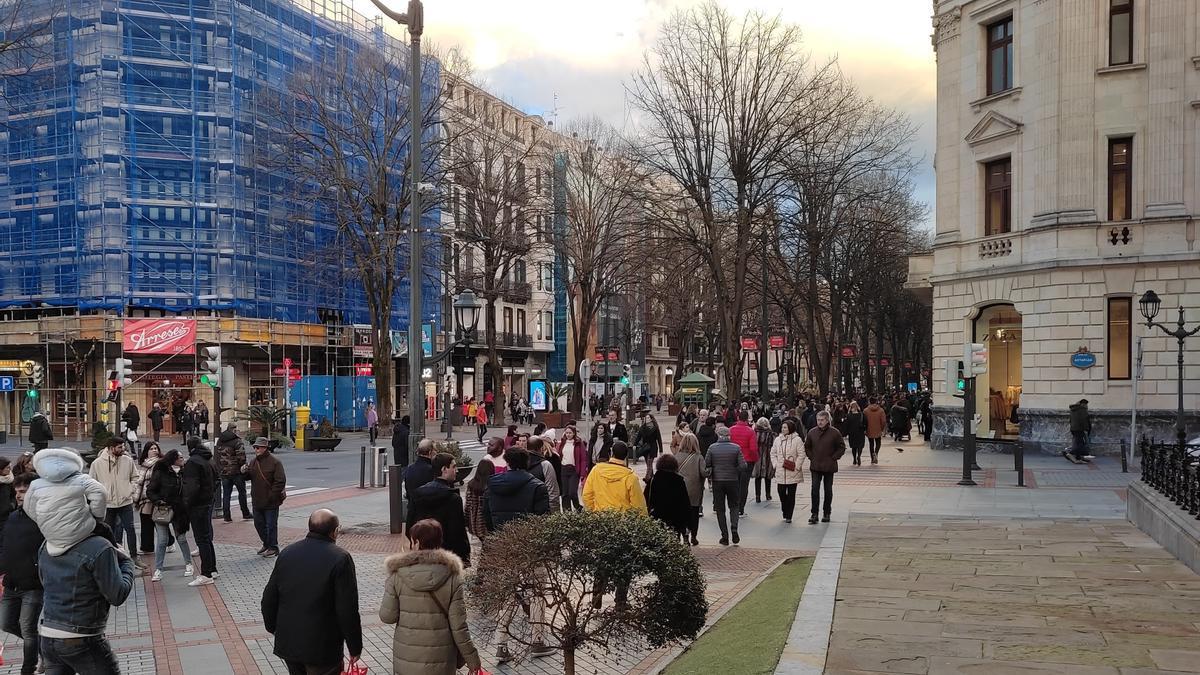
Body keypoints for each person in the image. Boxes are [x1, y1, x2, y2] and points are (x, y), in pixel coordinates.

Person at [37, 505, 137, 674]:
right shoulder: (99, 546)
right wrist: (127, 563)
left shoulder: (47, 544)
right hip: (81, 637)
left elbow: (44, 582)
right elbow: (117, 595)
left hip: (48, 635)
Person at [262, 509, 363, 675]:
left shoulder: (288, 553)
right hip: (323, 646)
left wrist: (275, 628)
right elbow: (347, 609)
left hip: (290, 641)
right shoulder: (340, 558)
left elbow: (269, 599)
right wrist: (355, 647)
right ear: (335, 531)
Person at [380, 519, 483, 675]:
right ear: (439, 542)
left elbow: (387, 616)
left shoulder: (397, 575)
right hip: (441, 659)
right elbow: (459, 626)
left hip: (407, 658)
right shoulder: (452, 577)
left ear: (415, 542)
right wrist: (473, 660)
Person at [481, 449, 551, 662]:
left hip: (504, 547)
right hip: (530, 548)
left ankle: (501, 644)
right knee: (537, 593)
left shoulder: (491, 486)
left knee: (508, 595)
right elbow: (543, 522)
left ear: (507, 462)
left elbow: (487, 519)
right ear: (527, 462)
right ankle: (537, 640)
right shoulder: (537, 487)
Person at [25, 449, 107, 559]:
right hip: (81, 530)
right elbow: (100, 492)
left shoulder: (36, 485)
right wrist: (97, 515)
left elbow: (28, 507)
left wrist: (43, 519)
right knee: (105, 531)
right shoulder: (81, 479)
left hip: (51, 534)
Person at [0, 472, 44, 675]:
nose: (18, 495)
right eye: (17, 491)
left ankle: (28, 669)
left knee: (27, 629)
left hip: (33, 585)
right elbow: (5, 546)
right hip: (11, 584)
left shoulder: (42, 517)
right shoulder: (13, 516)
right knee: (7, 624)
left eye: (23, 491)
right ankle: (45, 646)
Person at [410, 452, 471, 566]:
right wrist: (463, 558)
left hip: (422, 552)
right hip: (446, 557)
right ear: (444, 469)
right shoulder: (453, 499)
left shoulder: (417, 494)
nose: (456, 471)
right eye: (453, 467)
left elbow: (410, 523)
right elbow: (457, 532)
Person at [89, 437, 142, 564]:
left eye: (123, 446)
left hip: (125, 501)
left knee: (130, 529)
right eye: (120, 447)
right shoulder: (97, 463)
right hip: (108, 504)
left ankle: (134, 556)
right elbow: (91, 483)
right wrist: (100, 496)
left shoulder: (127, 460)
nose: (123, 449)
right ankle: (112, 557)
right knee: (109, 531)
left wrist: (130, 489)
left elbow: (135, 477)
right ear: (111, 448)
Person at [145, 449, 194, 581]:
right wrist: (158, 501)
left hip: (179, 510)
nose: (183, 459)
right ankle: (158, 569)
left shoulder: (185, 472)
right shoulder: (161, 472)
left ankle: (188, 564)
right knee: (162, 540)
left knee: (181, 538)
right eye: (180, 458)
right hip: (163, 509)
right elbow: (150, 490)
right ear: (173, 459)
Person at [180, 438, 219, 585]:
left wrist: (186, 503)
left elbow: (191, 487)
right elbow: (216, 480)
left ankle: (206, 574)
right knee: (206, 538)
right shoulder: (207, 459)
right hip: (207, 502)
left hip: (198, 506)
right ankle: (212, 569)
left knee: (201, 539)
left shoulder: (193, 462)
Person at [705, 425, 746, 546]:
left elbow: (707, 464)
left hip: (718, 481)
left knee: (720, 509)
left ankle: (724, 535)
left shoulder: (712, 448)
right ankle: (734, 528)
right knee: (734, 506)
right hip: (732, 480)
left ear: (718, 435)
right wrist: (735, 470)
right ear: (729, 436)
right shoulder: (736, 448)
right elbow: (743, 466)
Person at [582, 440, 648, 514]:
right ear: (626, 456)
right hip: (622, 521)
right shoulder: (631, 477)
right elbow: (638, 505)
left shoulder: (596, 470)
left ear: (611, 453)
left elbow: (587, 495)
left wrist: (593, 512)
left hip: (600, 517)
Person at [804, 410, 845, 524]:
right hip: (816, 465)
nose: (820, 422)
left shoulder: (834, 432)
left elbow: (841, 447)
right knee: (814, 490)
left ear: (827, 420)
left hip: (829, 466)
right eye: (818, 420)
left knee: (828, 490)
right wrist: (811, 456)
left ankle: (827, 512)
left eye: (822, 420)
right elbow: (807, 446)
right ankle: (814, 513)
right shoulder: (812, 432)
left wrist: (834, 457)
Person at [248, 436, 287, 557]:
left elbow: (280, 481)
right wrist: (244, 471)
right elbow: (248, 477)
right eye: (255, 447)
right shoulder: (254, 462)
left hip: (271, 501)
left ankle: (273, 547)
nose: (256, 449)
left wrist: (272, 495)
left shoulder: (275, 462)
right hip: (257, 499)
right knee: (258, 524)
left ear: (265, 448)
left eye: (258, 447)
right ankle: (266, 543)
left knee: (271, 525)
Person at [644, 454, 690, 543]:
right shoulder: (679, 481)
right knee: (673, 543)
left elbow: (646, 499)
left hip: (657, 518)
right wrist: (686, 523)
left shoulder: (653, 481)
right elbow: (685, 503)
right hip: (675, 520)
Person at [673, 431, 708, 545]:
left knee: (680, 513)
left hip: (680, 490)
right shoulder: (698, 457)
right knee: (694, 514)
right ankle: (693, 535)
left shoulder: (677, 456)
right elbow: (704, 472)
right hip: (694, 490)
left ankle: (681, 535)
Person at [770, 419, 805, 523]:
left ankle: (789, 515)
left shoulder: (797, 440)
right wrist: (775, 464)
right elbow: (773, 453)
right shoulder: (777, 439)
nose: (783, 429)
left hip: (792, 471)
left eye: (785, 427)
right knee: (781, 492)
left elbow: (801, 454)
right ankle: (784, 509)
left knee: (791, 494)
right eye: (782, 427)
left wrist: (797, 466)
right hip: (781, 470)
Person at [216, 423, 252, 522]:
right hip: (236, 472)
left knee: (226, 494)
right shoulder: (237, 441)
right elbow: (241, 457)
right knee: (242, 492)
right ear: (234, 430)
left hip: (224, 471)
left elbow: (217, 455)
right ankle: (245, 513)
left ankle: (226, 516)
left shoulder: (220, 440)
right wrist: (243, 466)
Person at [728, 412, 759, 516]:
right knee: (743, 485)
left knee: (734, 484)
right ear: (747, 419)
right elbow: (753, 449)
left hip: (734, 461)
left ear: (738, 418)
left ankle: (733, 506)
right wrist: (755, 459)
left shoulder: (731, 430)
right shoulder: (750, 432)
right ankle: (741, 509)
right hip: (747, 461)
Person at [403, 439, 437, 529]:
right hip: (428, 516)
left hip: (413, 514)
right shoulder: (432, 470)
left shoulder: (409, 468)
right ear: (430, 452)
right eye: (435, 451)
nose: (436, 453)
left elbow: (407, 490)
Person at [556, 425, 588, 511]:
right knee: (565, 494)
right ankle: (567, 512)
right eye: (567, 433)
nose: (568, 435)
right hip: (564, 469)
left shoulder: (579, 443)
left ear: (574, 433)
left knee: (572, 492)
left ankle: (578, 507)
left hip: (574, 470)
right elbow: (559, 455)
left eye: (570, 433)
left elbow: (583, 459)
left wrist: (582, 473)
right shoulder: (562, 443)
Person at [525, 437, 561, 512]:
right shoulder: (545, 465)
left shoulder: (519, 463)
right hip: (542, 510)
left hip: (523, 510)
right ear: (541, 448)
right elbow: (552, 490)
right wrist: (555, 513)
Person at [464, 457, 494, 541]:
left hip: (476, 523)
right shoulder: (492, 486)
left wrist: (466, 521)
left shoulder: (471, 485)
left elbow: (468, 506)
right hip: (489, 522)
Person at [753, 417, 776, 503]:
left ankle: (757, 496)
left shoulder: (755, 433)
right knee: (768, 477)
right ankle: (768, 494)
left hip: (758, 456)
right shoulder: (771, 434)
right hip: (768, 456)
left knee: (757, 477)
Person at [635, 414, 664, 480]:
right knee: (648, 463)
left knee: (649, 463)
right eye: (646, 418)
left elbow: (659, 439)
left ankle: (647, 478)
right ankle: (651, 476)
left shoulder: (655, 427)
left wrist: (661, 450)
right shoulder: (642, 427)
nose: (647, 419)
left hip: (652, 447)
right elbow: (638, 437)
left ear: (651, 419)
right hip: (645, 448)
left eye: (648, 418)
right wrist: (634, 445)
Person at [842, 402, 867, 466]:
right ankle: (859, 456)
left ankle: (854, 459)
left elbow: (846, 425)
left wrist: (845, 433)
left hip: (852, 433)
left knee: (854, 447)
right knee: (860, 446)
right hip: (860, 432)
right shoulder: (861, 414)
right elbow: (866, 423)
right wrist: (865, 430)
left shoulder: (849, 415)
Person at [863, 397, 887, 465]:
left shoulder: (865, 411)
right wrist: (882, 428)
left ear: (869, 402)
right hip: (878, 428)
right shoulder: (881, 410)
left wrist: (865, 429)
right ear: (876, 401)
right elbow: (883, 421)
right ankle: (876, 453)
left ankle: (872, 458)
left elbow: (864, 421)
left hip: (869, 429)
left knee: (871, 444)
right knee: (878, 442)